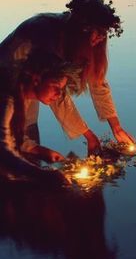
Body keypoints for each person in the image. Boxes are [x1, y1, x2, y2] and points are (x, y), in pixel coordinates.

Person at [0, 0, 134, 153]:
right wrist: (88, 134)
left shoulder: (76, 39)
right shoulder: (46, 33)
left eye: (103, 34)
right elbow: (54, 92)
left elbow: (97, 81)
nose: (100, 39)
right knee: (12, 143)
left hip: (28, 93)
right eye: (97, 33)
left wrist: (116, 126)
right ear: (83, 29)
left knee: (28, 143)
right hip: (6, 85)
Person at [0, 50, 81, 185]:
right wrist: (42, 174)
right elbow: (2, 151)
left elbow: (9, 134)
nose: (59, 94)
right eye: (56, 86)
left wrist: (38, 150)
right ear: (37, 80)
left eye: (62, 89)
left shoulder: (22, 97)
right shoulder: (6, 100)